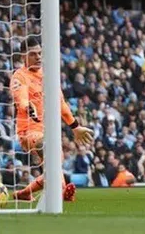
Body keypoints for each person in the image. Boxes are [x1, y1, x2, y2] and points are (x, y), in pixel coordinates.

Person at [10, 37, 94, 202]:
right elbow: (21, 97)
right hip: (29, 131)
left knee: (54, 166)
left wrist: (75, 126)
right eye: (33, 54)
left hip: (49, 130)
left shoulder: (48, 75)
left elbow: (60, 103)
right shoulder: (19, 76)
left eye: (40, 53)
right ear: (23, 56)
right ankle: (62, 192)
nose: (38, 57)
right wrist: (28, 107)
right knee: (46, 147)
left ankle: (25, 192)